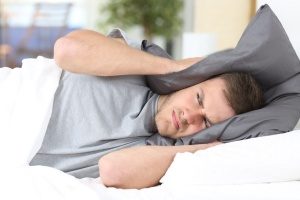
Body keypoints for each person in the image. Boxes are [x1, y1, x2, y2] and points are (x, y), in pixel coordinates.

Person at [30, 29, 264, 189]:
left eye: (206, 123)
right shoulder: (135, 64)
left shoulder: (155, 149)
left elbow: (112, 171)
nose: (189, 116)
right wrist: (173, 68)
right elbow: (66, 50)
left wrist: (208, 148)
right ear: (194, 80)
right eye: (198, 99)